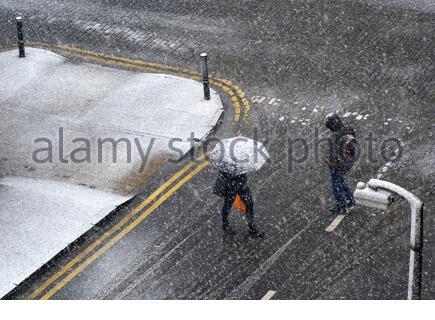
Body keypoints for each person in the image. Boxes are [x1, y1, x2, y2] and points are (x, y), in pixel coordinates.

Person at [214, 171, 264, 237]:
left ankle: (252, 227)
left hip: (242, 184)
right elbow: (224, 175)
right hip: (232, 186)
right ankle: (225, 225)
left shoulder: (242, 162)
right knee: (227, 205)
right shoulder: (228, 164)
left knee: (249, 203)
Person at [325, 113, 357, 214]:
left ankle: (341, 205)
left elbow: (333, 154)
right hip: (349, 160)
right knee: (340, 180)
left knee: (336, 184)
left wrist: (332, 165)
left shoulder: (334, 137)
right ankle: (350, 199)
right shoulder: (349, 129)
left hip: (338, 164)